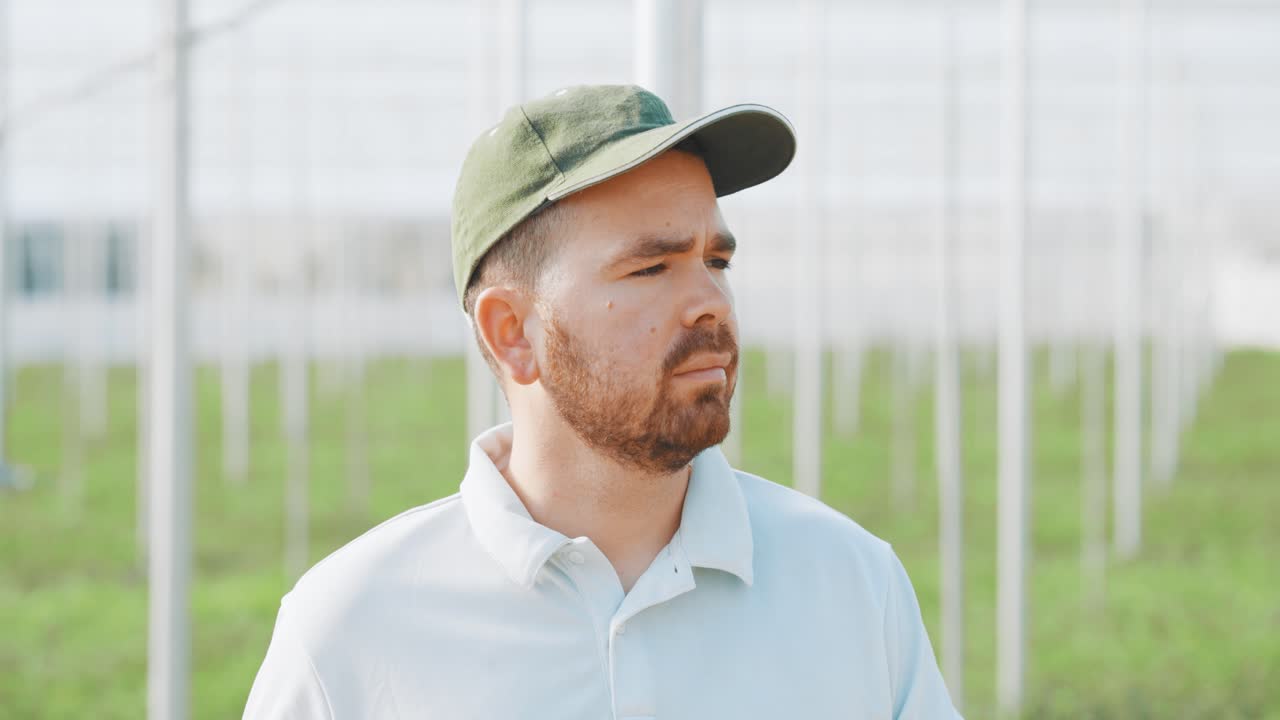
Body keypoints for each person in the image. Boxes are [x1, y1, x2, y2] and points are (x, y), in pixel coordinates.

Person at [243, 84, 962, 719]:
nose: (711, 304)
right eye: (651, 267)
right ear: (512, 332)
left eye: (717, 261)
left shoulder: (851, 587)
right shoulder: (352, 633)